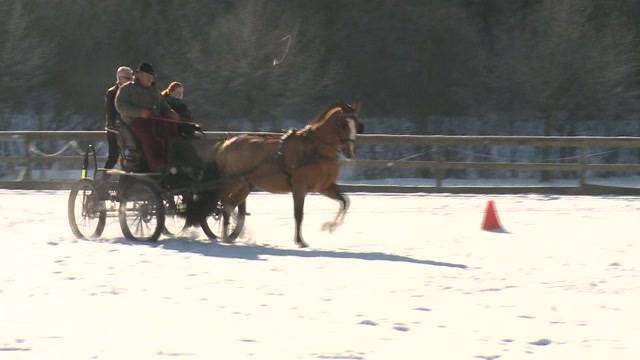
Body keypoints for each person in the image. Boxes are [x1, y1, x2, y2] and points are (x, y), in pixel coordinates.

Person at [115, 62, 179, 172]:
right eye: (148, 76)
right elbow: (120, 106)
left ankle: (174, 161)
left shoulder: (154, 91)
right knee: (149, 136)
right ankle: (157, 165)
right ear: (139, 75)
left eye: (152, 77)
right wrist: (140, 112)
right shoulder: (127, 89)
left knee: (172, 131)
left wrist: (170, 112)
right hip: (136, 121)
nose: (151, 79)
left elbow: (163, 106)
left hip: (155, 120)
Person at [104, 66, 133, 170]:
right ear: (120, 78)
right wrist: (115, 125)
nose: (131, 81)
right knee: (113, 156)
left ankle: (124, 182)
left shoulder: (131, 91)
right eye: (128, 78)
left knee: (129, 157)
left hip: (128, 130)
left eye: (131, 78)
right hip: (114, 130)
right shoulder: (112, 92)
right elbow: (110, 111)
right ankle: (103, 181)